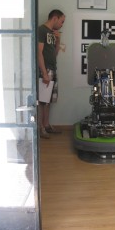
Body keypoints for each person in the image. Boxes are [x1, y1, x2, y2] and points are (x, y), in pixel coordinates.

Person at [38, 9, 65, 139]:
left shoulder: (52, 33)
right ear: (55, 18)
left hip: (52, 68)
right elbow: (39, 53)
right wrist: (44, 73)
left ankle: (47, 125)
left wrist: (58, 41)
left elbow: (54, 55)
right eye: (61, 21)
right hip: (45, 70)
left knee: (48, 101)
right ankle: (41, 128)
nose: (62, 24)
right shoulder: (42, 30)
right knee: (42, 101)